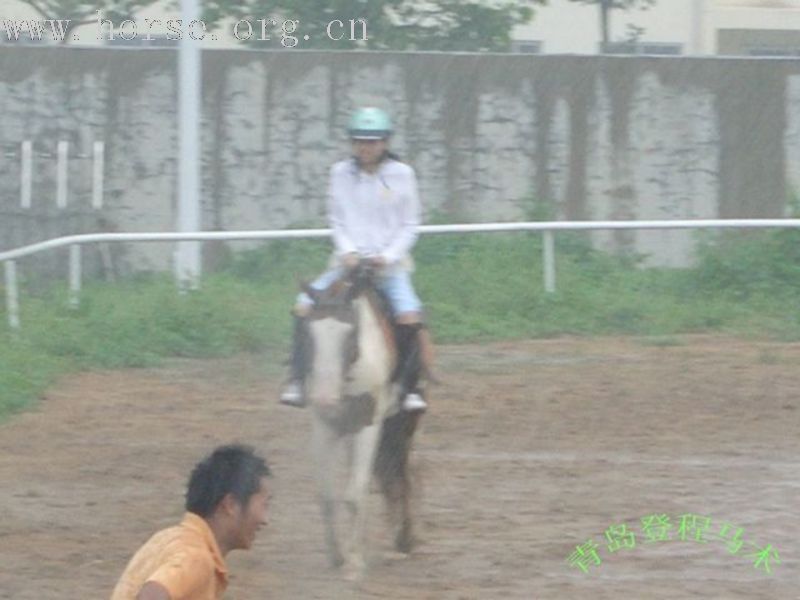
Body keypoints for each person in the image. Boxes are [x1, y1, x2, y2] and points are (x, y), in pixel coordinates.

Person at [279, 106, 431, 413]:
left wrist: (386, 257)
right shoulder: (340, 173)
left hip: (389, 268)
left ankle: (409, 387)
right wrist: (347, 252)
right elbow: (337, 219)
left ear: (385, 142)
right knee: (303, 306)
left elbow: (409, 225)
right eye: (360, 141)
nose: (366, 147)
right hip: (346, 264)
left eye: (373, 141)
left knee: (408, 315)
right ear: (352, 143)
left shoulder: (403, 175)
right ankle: (297, 379)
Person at [110, 444, 271, 600]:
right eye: (264, 505)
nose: (265, 520)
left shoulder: (168, 538)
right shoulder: (196, 557)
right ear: (230, 505)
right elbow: (152, 595)